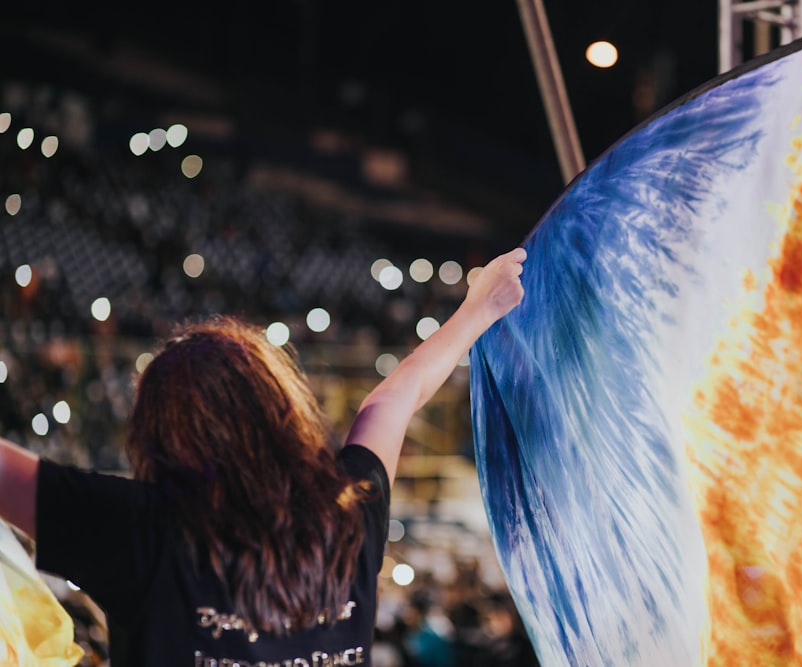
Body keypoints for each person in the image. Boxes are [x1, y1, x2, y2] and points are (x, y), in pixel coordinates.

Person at [0, 247, 527, 666]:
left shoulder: (142, 528)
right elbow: (394, 400)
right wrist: (479, 308)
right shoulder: (348, 511)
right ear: (281, 410)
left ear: (159, 432)